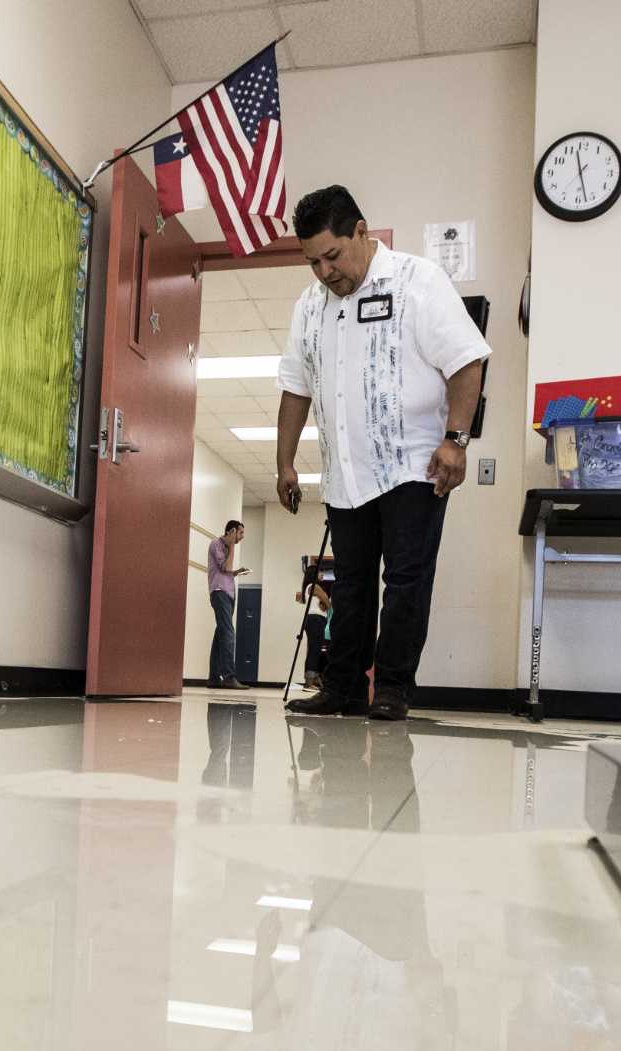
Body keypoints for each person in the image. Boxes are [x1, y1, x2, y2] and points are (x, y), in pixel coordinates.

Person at [275, 186, 489, 722]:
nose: (323, 272)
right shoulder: (310, 306)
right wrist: (284, 462)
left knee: (406, 581)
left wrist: (456, 441)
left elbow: (466, 361)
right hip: (345, 473)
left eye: (332, 255)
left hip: (413, 466)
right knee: (349, 585)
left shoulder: (418, 281)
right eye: (312, 262)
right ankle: (342, 686)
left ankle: (392, 687)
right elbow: (296, 387)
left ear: (361, 232)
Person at [204, 518, 249, 689]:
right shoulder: (216, 543)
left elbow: (228, 570)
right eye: (240, 533)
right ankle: (229, 676)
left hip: (228, 594)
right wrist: (232, 546)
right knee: (229, 633)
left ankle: (214, 678)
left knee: (220, 636)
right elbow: (224, 567)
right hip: (219, 593)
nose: (242, 536)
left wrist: (237, 572)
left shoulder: (228, 547)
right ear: (231, 532)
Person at [298, 575, 332, 689]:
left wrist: (323, 604)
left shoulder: (308, 587)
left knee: (313, 649)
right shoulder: (314, 586)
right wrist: (326, 602)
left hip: (313, 620)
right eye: (319, 572)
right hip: (316, 620)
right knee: (315, 650)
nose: (322, 574)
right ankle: (310, 681)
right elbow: (327, 601)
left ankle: (311, 679)